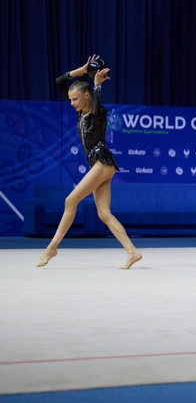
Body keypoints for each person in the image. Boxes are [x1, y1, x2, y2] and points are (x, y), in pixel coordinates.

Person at [35, 55, 142, 269]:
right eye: (70, 99)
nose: (72, 103)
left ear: (86, 96)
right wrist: (81, 70)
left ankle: (52, 248)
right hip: (102, 166)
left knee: (69, 201)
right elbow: (59, 81)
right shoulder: (81, 114)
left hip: (102, 163)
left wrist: (96, 85)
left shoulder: (97, 113)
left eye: (76, 99)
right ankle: (132, 252)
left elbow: (96, 107)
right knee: (104, 213)